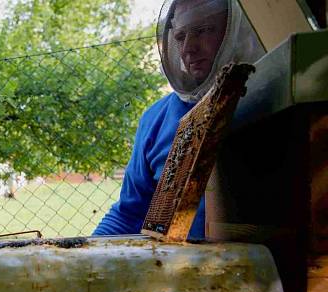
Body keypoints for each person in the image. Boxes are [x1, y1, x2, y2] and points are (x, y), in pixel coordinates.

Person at [93, 0, 263, 239]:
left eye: (203, 30)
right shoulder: (155, 119)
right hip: (177, 269)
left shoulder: (273, 97)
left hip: (262, 268)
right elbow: (129, 213)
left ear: (235, 29)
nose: (188, 48)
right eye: (181, 36)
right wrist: (80, 256)